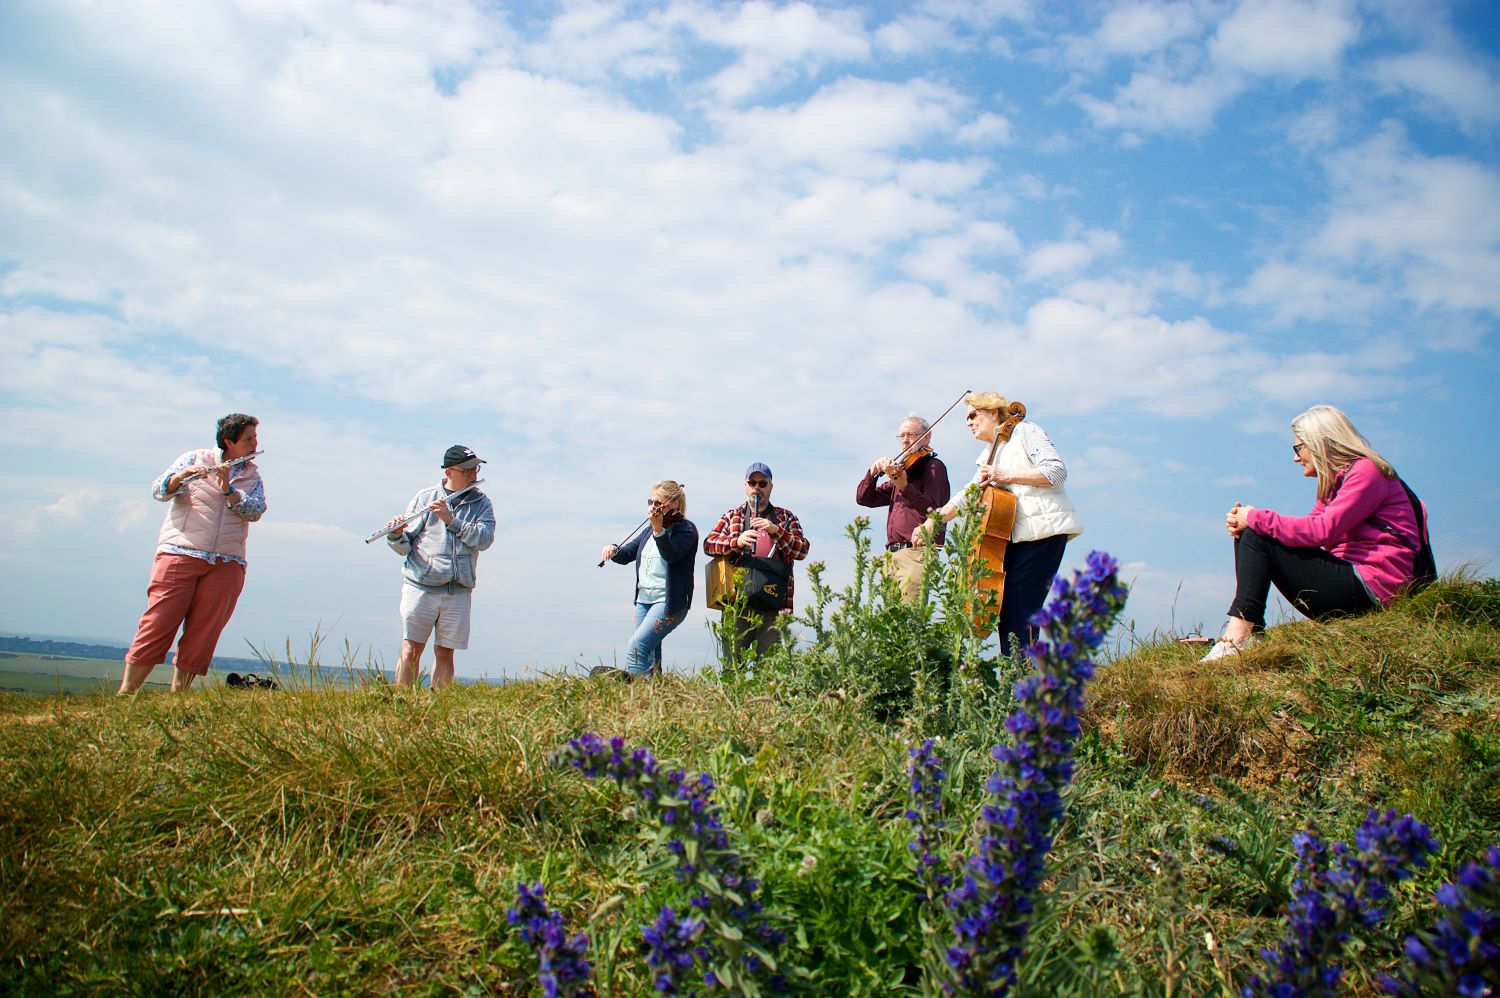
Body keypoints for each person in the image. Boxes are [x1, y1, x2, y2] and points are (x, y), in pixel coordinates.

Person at [1201, 404, 1425, 662]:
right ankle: (1248, 631)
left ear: (1320, 443)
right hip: (1352, 584)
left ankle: (1239, 636)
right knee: (1253, 530)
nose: (1296, 458)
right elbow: (1310, 529)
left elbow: (1321, 531)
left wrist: (1254, 518)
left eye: (1299, 448)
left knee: (1257, 531)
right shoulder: (1334, 484)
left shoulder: (1367, 472)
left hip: (1372, 591)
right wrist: (1248, 520)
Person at [915, 392, 1083, 657]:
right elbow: (968, 494)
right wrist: (932, 522)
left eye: (973, 415)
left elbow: (1056, 472)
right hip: (1015, 539)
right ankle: (1019, 675)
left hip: (1043, 533)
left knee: (1019, 608)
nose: (968, 422)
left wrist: (1006, 475)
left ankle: (1022, 678)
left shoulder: (1025, 431)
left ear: (994, 413)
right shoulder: (988, 455)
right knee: (1008, 611)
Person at [118, 413, 266, 693]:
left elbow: (256, 511)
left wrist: (229, 490)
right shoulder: (194, 458)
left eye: (255, 437)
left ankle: (179, 694)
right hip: (181, 552)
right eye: (249, 438)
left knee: (204, 631)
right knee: (158, 622)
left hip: (227, 561)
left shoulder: (252, 475)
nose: (255, 443)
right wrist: (179, 478)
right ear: (229, 442)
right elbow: (159, 490)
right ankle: (127, 691)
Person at [385, 445, 496, 688]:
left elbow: (485, 539)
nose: (473, 474)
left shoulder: (481, 503)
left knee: (445, 652)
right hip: (421, 587)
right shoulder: (425, 498)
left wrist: (451, 521)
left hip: (458, 590)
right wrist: (395, 534)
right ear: (449, 472)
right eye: (467, 470)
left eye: (475, 468)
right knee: (411, 648)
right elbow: (405, 546)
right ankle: (402, 701)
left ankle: (439, 704)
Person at [703, 463, 810, 662]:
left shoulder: (786, 517)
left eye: (762, 483)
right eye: (752, 483)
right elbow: (708, 545)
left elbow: (802, 550)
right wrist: (736, 542)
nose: (757, 488)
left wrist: (776, 531)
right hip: (737, 603)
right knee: (732, 666)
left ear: (771, 486)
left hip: (774, 604)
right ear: (745, 486)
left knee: (769, 668)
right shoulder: (732, 516)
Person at [597, 481, 699, 681]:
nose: (653, 507)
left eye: (658, 503)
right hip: (643, 600)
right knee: (650, 655)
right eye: (651, 502)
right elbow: (627, 554)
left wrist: (659, 529)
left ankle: (636, 695)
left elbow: (671, 555)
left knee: (637, 648)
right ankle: (655, 693)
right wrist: (613, 549)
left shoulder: (686, 530)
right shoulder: (648, 531)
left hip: (669, 602)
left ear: (674, 503)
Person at [856, 413, 951, 601]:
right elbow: (865, 498)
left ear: (927, 437)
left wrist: (905, 487)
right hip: (892, 555)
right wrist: (872, 474)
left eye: (911, 435)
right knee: (890, 616)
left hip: (916, 552)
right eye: (902, 436)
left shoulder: (933, 467)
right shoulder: (902, 472)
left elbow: (935, 509)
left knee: (910, 613)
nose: (905, 440)